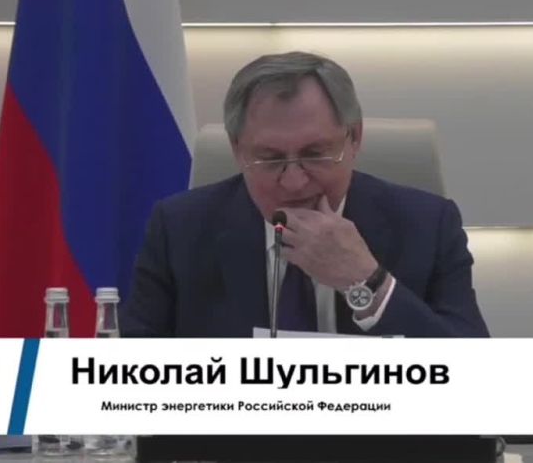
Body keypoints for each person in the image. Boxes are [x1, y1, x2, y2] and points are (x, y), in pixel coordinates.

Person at [120, 51, 489, 337]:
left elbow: (476, 382)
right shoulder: (179, 229)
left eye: (315, 154)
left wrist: (365, 280)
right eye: (270, 158)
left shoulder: (427, 226)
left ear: (354, 138)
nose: (295, 182)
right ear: (237, 149)